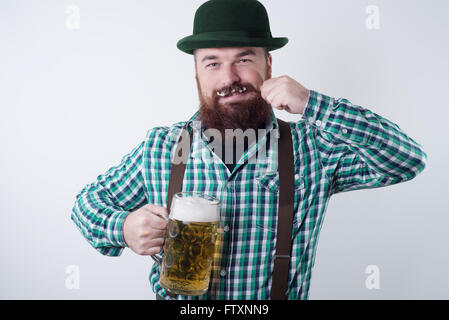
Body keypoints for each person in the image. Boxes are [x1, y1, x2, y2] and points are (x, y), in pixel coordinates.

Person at [71, 0, 427, 300]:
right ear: (196, 74)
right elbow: (86, 205)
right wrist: (123, 227)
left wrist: (313, 104)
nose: (229, 78)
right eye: (212, 63)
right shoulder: (162, 147)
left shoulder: (313, 148)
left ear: (268, 66)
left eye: (244, 59)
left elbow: (406, 159)